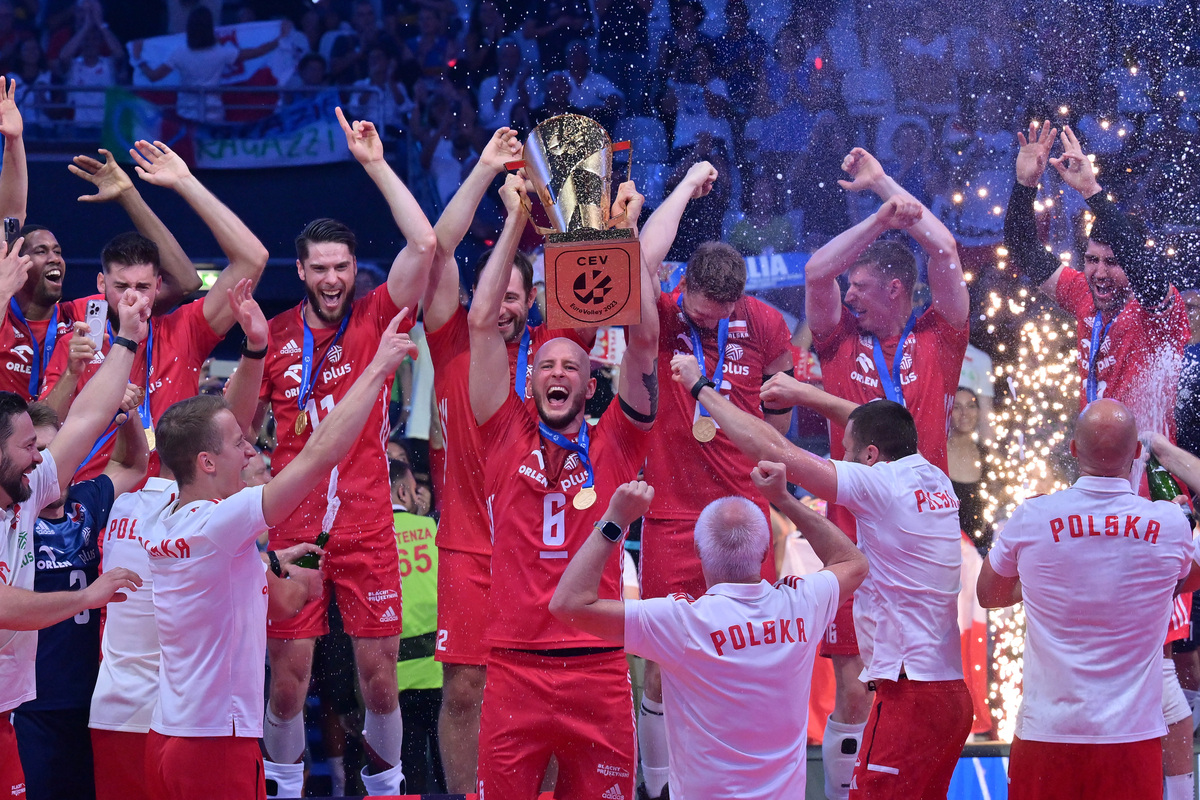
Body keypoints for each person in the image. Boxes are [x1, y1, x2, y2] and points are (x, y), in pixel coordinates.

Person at [142, 308, 416, 800]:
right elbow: (318, 455)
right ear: (205, 463)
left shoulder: (161, 512)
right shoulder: (225, 521)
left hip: (166, 733)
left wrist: (274, 560)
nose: (251, 452)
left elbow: (240, 573)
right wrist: (376, 369)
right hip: (215, 743)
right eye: (237, 444)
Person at [675, 361, 974, 798]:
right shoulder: (933, 475)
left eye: (848, 453)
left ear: (870, 456)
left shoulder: (880, 485)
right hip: (947, 693)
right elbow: (878, 420)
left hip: (910, 698)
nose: (844, 460)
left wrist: (699, 387)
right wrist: (805, 394)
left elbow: (773, 448)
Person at [1004, 120, 1194, 798]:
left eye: (1113, 262)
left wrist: (1092, 191)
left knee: (1174, 664)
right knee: (1153, 663)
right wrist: (1023, 187)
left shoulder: (1163, 310)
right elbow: (1026, 256)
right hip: (1094, 487)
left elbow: (1149, 268)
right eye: (1094, 260)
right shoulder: (1084, 298)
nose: (1104, 273)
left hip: (1151, 497)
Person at [778, 146, 969, 799]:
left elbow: (943, 252)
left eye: (859, 285)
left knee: (913, 681)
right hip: (851, 534)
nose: (846, 294)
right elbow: (814, 271)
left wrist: (891, 189)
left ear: (894, 288)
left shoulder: (937, 338)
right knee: (854, 682)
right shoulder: (838, 343)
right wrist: (877, 216)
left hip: (918, 536)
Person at [257, 107, 435, 798]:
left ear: (354, 267)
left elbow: (423, 244)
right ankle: (283, 788)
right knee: (288, 676)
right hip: (294, 522)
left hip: (367, 519)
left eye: (342, 266)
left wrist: (375, 165)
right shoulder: (270, 337)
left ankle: (385, 788)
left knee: (381, 676)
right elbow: (243, 430)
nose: (332, 279)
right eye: (319, 268)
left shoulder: (376, 316)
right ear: (300, 270)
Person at [468, 172, 659, 800]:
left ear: (587, 383)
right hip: (515, 667)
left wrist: (626, 238)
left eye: (569, 366)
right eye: (545, 364)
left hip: (598, 670)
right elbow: (481, 323)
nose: (556, 372)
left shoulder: (616, 440)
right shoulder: (504, 434)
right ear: (531, 382)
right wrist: (513, 229)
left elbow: (645, 345)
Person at [549, 466, 866, 799]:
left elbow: (567, 603)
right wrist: (783, 498)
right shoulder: (802, 604)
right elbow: (852, 561)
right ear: (763, 553)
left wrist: (615, 519)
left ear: (698, 553)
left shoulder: (680, 622)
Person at [630, 159, 794, 800]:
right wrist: (684, 187)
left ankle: (743, 781)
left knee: (747, 653)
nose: (710, 318)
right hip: (673, 516)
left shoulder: (765, 322)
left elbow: (778, 407)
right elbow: (641, 258)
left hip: (747, 514)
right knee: (662, 666)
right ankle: (661, 789)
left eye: (723, 310)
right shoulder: (665, 314)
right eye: (704, 308)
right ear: (685, 286)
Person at [977, 399, 1194, 800]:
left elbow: (988, 594)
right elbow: (1186, 579)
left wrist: (1043, 582)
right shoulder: (1168, 525)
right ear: (1135, 454)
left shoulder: (1033, 517)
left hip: (1047, 736)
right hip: (1133, 741)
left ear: (1074, 450)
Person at [0, 289, 153, 796]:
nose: (38, 458)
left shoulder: (27, 488)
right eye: (27, 448)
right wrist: (89, 596)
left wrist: (127, 338)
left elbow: (87, 417)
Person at [41, 139, 267, 481]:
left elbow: (253, 259)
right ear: (101, 285)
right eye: (121, 287)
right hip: (96, 512)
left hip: (170, 513)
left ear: (158, 286)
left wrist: (184, 182)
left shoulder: (184, 331)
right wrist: (73, 374)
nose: (133, 298)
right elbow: (42, 428)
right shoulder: (80, 344)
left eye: (143, 287)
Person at [136, 7, 291, 123]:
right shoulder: (222, 53)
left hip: (186, 112)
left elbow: (154, 76)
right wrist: (280, 38)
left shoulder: (179, 53)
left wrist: (139, 58)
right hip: (214, 112)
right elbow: (258, 51)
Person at [392, 460, 444, 794]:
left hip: (393, 681)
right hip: (442, 675)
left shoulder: (371, 541)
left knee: (408, 776)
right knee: (449, 775)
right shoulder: (435, 530)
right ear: (402, 491)